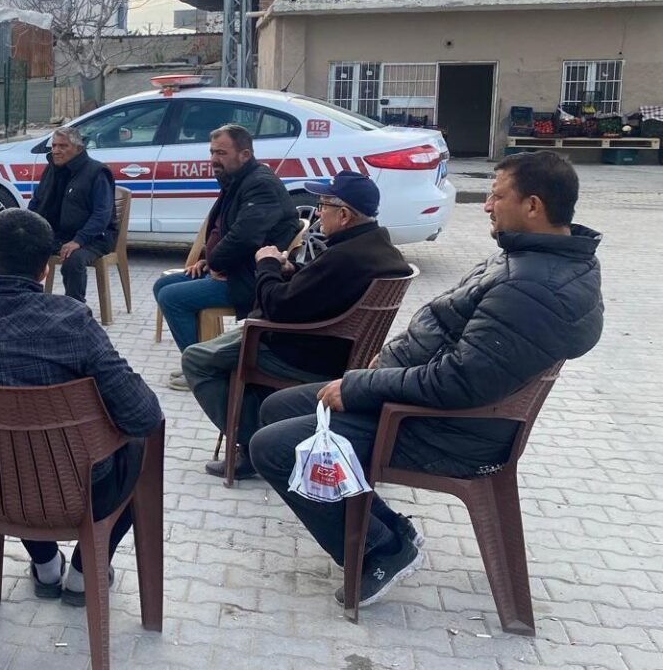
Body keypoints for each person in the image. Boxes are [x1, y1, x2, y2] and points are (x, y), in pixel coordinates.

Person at [249, 151, 604, 608]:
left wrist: (361, 386)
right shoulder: (536, 260)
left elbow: (457, 382)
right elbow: (458, 351)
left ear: (533, 206)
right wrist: (383, 367)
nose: (486, 205)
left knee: (273, 447)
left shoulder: (532, 286)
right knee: (277, 407)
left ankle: (381, 550)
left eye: (497, 196)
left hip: (446, 429)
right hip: (433, 406)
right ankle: (389, 529)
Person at [0, 208, 162, 606]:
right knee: (141, 442)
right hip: (82, 491)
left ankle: (46, 566)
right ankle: (84, 573)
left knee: (12, 449)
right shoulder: (72, 320)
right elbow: (143, 414)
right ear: (45, 271)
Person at [180, 170, 412, 479]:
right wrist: (293, 269)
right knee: (225, 352)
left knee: (196, 359)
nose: (318, 212)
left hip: (301, 353)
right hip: (339, 349)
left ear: (344, 215)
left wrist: (266, 264)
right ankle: (262, 430)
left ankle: (253, 444)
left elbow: (277, 306)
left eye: (323, 205)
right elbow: (321, 286)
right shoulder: (379, 249)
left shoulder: (345, 257)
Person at [154, 124, 300, 359]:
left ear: (245, 154)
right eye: (212, 152)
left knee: (171, 297)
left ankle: (198, 364)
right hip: (232, 268)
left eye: (221, 153)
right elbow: (222, 230)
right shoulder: (236, 179)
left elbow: (244, 237)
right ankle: (202, 355)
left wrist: (216, 263)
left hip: (249, 277)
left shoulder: (260, 184)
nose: (214, 159)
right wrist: (206, 260)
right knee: (162, 285)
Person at [27, 126, 118, 304]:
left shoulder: (97, 172)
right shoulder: (51, 170)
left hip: (93, 238)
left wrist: (79, 240)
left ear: (78, 148)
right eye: (54, 146)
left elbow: (102, 214)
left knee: (72, 259)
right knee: (20, 249)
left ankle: (75, 308)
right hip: (56, 235)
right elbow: (36, 202)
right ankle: (28, 303)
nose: (56, 151)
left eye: (62, 146)